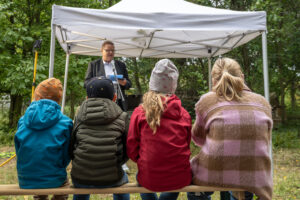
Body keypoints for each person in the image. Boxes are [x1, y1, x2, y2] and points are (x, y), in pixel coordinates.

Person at [188, 58, 273, 200]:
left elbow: (198, 138)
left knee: (196, 190)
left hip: (213, 172)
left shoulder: (207, 101)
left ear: (214, 81)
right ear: (242, 77)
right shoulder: (262, 102)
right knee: (244, 182)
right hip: (254, 174)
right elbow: (265, 139)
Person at [127, 59, 192, 200]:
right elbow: (186, 145)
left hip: (149, 176)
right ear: (173, 86)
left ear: (152, 84)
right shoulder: (184, 113)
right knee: (172, 184)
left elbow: (132, 147)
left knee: (142, 178)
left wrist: (144, 160)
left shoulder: (140, 112)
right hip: (179, 176)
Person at [70, 77, 129, 200]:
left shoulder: (78, 117)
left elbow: (72, 146)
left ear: (87, 98)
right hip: (113, 178)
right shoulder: (122, 117)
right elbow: (127, 148)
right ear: (114, 97)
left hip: (81, 177)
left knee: (81, 186)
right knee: (124, 182)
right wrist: (117, 161)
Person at [14, 78, 73, 200]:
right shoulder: (66, 122)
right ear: (58, 99)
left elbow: (18, 148)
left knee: (41, 180)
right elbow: (68, 153)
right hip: (54, 177)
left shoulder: (22, 120)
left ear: (37, 97)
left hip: (26, 179)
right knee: (63, 186)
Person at [84, 40, 132, 111]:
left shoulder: (121, 65)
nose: (111, 53)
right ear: (101, 50)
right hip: (100, 102)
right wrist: (99, 82)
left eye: (112, 51)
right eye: (107, 50)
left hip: (119, 102)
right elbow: (86, 84)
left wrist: (124, 83)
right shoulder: (93, 65)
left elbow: (129, 84)